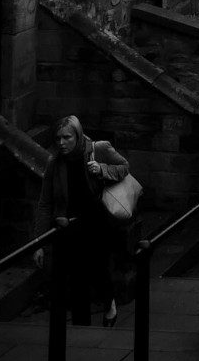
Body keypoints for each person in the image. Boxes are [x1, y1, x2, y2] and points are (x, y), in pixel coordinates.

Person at [34, 114, 129, 328]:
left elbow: (124, 167)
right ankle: (81, 329)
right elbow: (45, 203)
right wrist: (38, 242)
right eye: (57, 138)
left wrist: (102, 169)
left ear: (77, 136)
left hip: (95, 222)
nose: (61, 143)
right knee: (76, 281)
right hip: (68, 227)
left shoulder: (98, 149)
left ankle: (109, 303)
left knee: (97, 270)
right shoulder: (55, 163)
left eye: (66, 137)